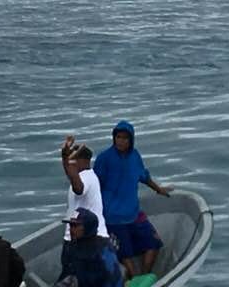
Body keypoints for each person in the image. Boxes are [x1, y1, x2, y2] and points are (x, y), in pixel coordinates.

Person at [93, 121, 172, 280]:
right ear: (113, 138)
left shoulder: (135, 156)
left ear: (131, 140)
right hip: (113, 217)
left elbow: (144, 176)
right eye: (118, 137)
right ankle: (135, 281)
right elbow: (94, 186)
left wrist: (159, 189)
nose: (121, 141)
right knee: (124, 254)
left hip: (134, 213)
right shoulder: (104, 158)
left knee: (154, 244)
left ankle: (144, 277)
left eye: (125, 138)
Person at [57, 208, 122, 287]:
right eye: (70, 225)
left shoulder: (103, 248)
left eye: (75, 226)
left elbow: (113, 277)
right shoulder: (72, 247)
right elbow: (69, 273)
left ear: (88, 227)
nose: (71, 229)